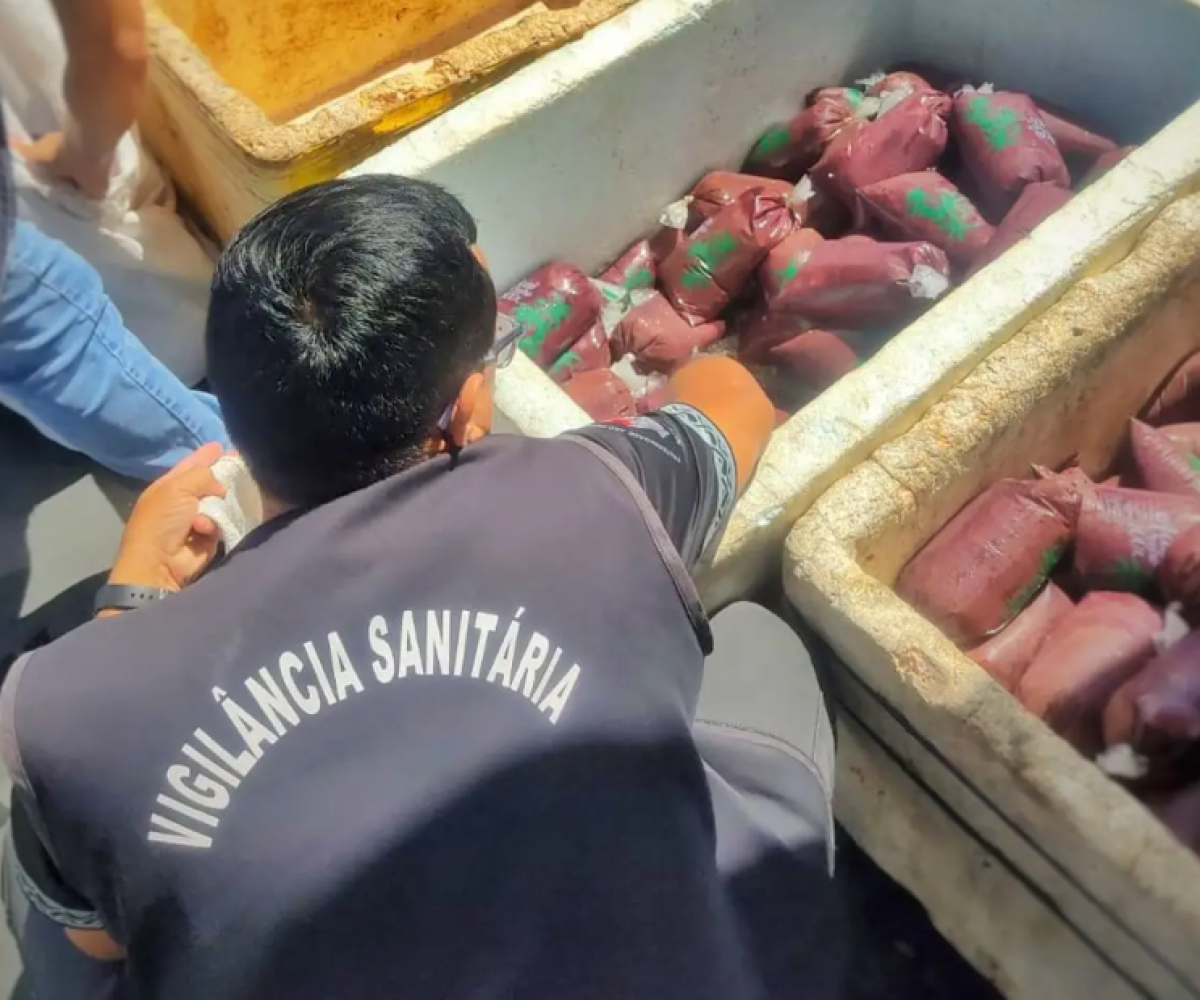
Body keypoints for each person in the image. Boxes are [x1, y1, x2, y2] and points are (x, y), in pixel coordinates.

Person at [0, 176, 843, 999]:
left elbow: (96, 930)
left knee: (54, 899)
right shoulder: (592, 494)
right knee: (756, 643)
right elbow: (732, 400)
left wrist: (126, 614)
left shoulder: (69, 704)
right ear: (470, 410)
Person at [1, 0, 229, 480]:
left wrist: (82, 152)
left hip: (57, 176)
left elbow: (118, 49)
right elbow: (118, 47)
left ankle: (268, 483)